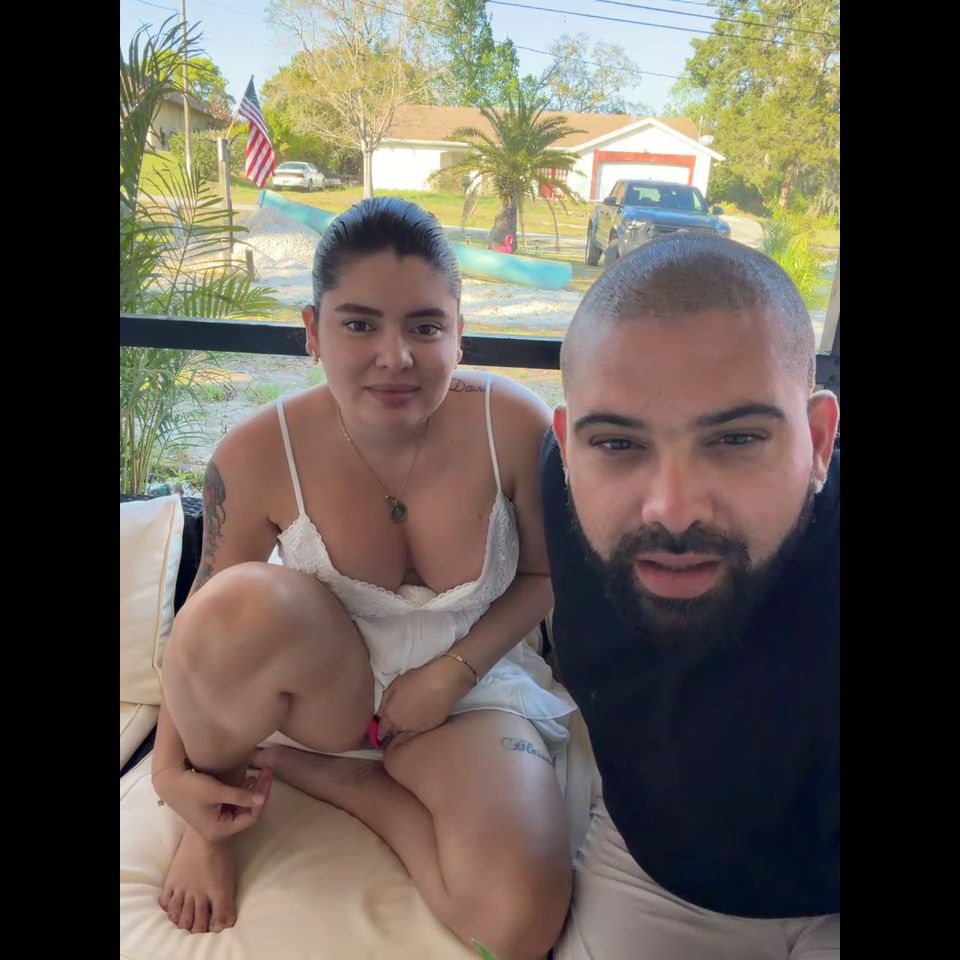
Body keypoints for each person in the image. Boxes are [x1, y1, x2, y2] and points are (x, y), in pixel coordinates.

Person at [152, 197, 575, 959]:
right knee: (239, 602)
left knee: (515, 925)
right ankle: (220, 819)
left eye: (425, 327)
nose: (395, 356)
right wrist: (171, 777)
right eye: (359, 324)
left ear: (460, 332)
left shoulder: (512, 425)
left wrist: (451, 672)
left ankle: (355, 786)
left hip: (471, 687)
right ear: (312, 331)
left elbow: (545, 574)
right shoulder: (257, 451)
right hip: (328, 692)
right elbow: (201, 636)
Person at [541, 234, 840, 958]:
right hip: (656, 870)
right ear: (569, 445)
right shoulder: (558, 487)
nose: (672, 511)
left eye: (735, 440)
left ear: (819, 441)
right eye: (618, 444)